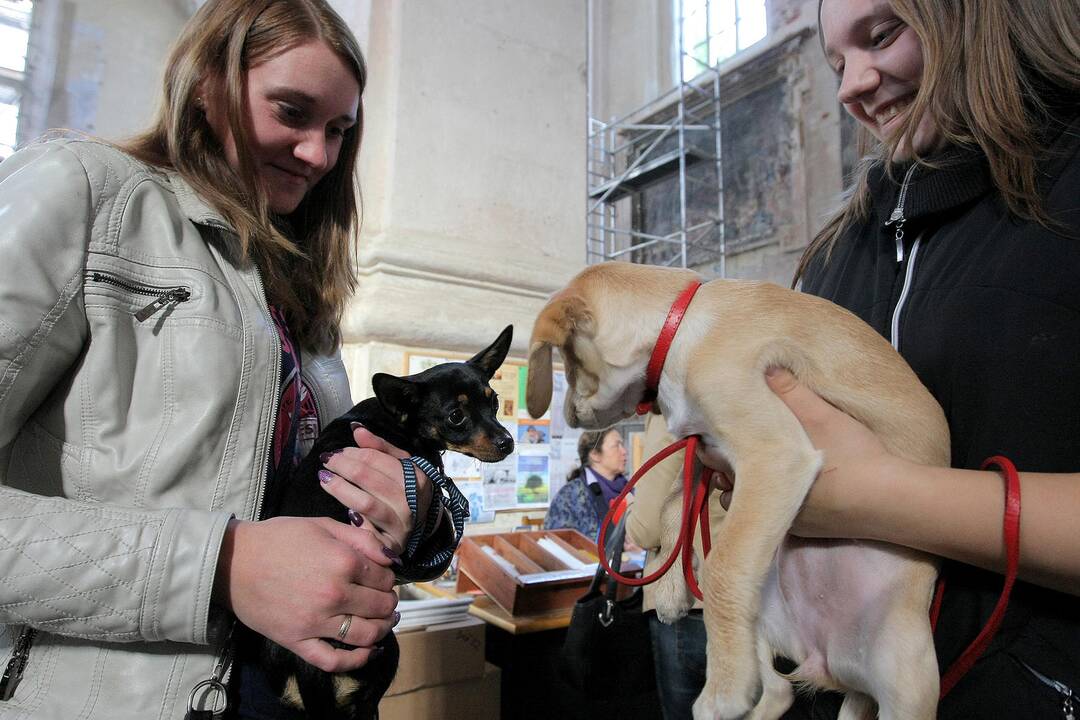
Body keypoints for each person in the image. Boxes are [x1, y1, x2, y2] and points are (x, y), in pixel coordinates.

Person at [0, 2, 456, 718]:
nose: (319, 154)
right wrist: (222, 564)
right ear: (207, 85)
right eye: (292, 112)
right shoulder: (86, 194)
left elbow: (316, 488)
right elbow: (242, 547)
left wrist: (423, 506)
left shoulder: (294, 283)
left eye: (339, 130)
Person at [706, 1, 1080, 717]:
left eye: (882, 36)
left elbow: (840, 488)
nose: (850, 86)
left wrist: (871, 497)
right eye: (836, 63)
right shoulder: (840, 251)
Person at [625, 414, 724, 720]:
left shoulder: (673, 406)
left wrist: (630, 512)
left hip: (689, 603)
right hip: (760, 600)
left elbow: (647, 527)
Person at [544, 428, 629, 539]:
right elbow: (555, 544)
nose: (624, 451)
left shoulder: (630, 490)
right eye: (616, 446)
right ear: (595, 454)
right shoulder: (569, 496)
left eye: (622, 445)